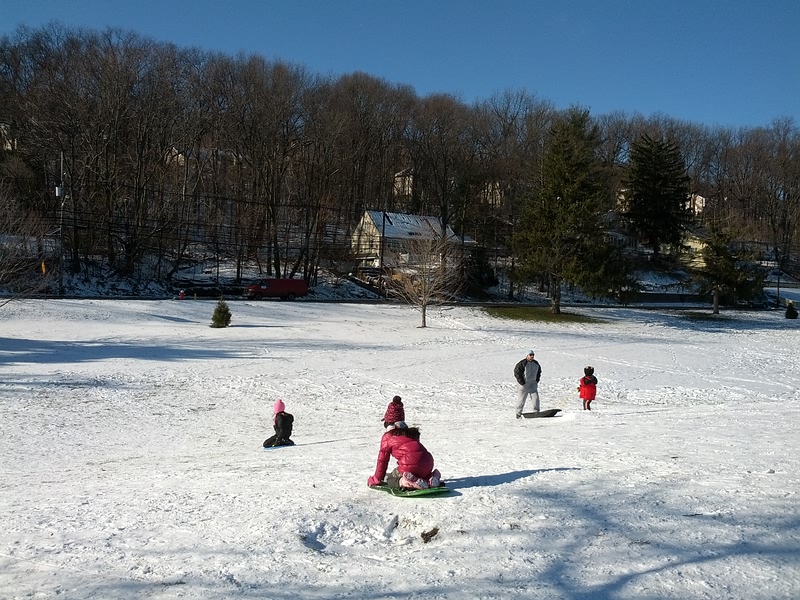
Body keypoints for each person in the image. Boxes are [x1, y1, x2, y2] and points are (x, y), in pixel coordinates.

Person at [367, 422, 441, 490]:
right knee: (419, 471)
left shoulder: (388, 436)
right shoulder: (412, 434)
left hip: (409, 464)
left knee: (391, 479)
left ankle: (406, 482)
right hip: (428, 462)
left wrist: (377, 478)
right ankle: (431, 478)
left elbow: (382, 460)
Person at [514, 350, 541, 418]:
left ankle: (536, 412)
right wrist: (522, 382)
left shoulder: (536, 363)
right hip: (524, 385)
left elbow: (539, 372)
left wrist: (536, 380)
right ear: (527, 355)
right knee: (521, 399)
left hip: (533, 384)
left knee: (536, 398)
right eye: (530, 355)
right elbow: (517, 372)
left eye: (533, 355)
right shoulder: (522, 363)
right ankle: (518, 413)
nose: (532, 356)